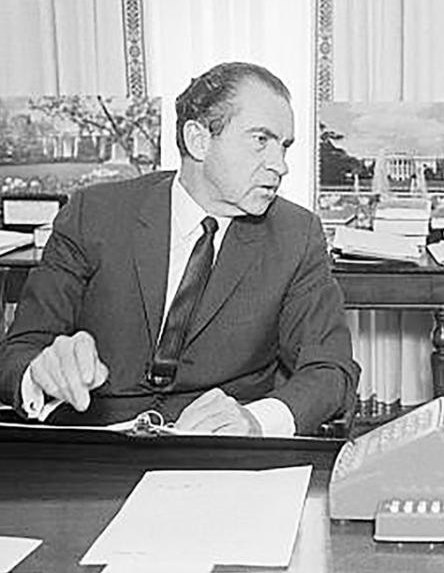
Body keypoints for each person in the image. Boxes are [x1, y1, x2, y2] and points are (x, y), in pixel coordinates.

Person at [0, 62, 360, 437]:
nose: (280, 165)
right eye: (260, 141)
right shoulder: (94, 214)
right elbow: (20, 349)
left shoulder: (296, 234)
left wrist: (257, 420)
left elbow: (330, 369)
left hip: (219, 455)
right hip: (93, 449)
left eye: (284, 146)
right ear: (198, 140)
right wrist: (41, 372)